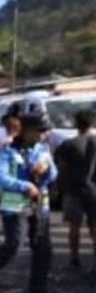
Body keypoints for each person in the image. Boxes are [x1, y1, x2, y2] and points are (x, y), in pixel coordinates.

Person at [0, 112, 58, 293]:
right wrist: (24, 186)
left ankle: (38, 290)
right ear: (27, 130)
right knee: (14, 244)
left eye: (45, 131)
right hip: (15, 207)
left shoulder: (43, 149)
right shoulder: (7, 150)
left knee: (43, 248)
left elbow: (54, 173)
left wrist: (47, 170)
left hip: (39, 205)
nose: (43, 135)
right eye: (39, 131)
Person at [53, 108, 96, 269]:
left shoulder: (68, 145)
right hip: (94, 191)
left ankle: (74, 258)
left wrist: (57, 189)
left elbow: (61, 169)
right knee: (94, 227)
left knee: (74, 226)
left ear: (76, 124)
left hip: (73, 191)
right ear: (92, 123)